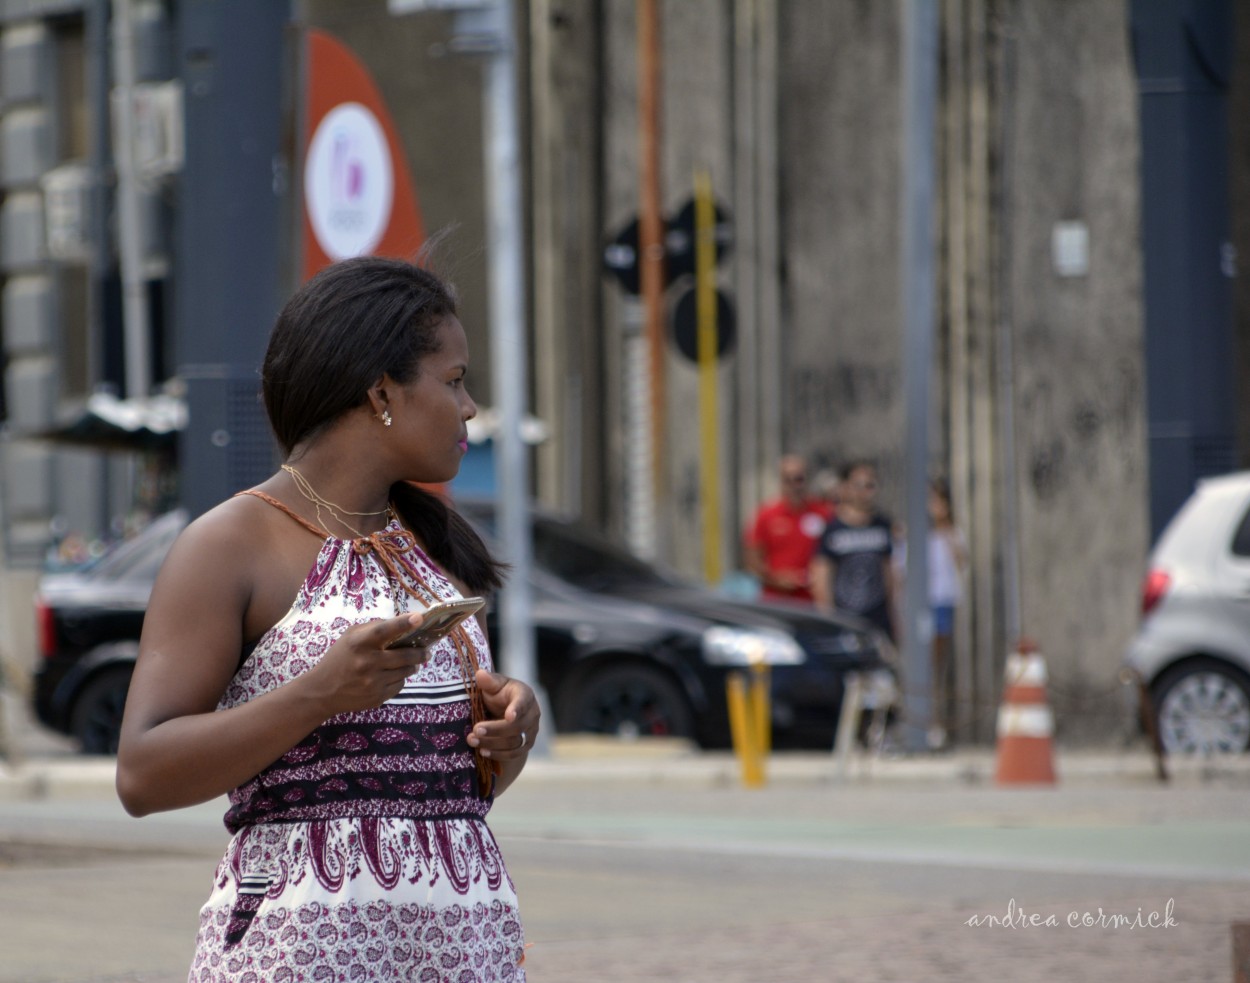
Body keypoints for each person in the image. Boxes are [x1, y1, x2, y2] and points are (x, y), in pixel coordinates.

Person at [115, 256, 538, 981]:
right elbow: (142, 773)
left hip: (462, 945)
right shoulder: (231, 542)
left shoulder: (434, 544)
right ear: (381, 391)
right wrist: (322, 690)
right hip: (305, 951)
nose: (470, 407)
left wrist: (511, 737)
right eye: (455, 378)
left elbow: (443, 790)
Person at [810, 460, 898, 641]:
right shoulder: (832, 530)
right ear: (845, 487)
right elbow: (821, 578)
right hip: (845, 622)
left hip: (878, 623)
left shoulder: (883, 526)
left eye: (870, 485)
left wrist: (896, 621)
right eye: (858, 485)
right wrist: (828, 620)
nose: (865, 492)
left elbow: (891, 577)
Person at [743, 454, 834, 603]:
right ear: (780, 481)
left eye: (798, 479)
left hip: (814, 602)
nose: (793, 485)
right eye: (787, 479)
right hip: (776, 602)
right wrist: (775, 579)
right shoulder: (766, 515)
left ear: (806, 479)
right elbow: (752, 562)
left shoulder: (824, 514)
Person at [926, 477, 967, 750]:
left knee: (936, 669)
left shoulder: (952, 533)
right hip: (921, 605)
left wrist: (946, 530)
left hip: (943, 602)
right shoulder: (916, 533)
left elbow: (961, 562)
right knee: (921, 667)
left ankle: (935, 723)